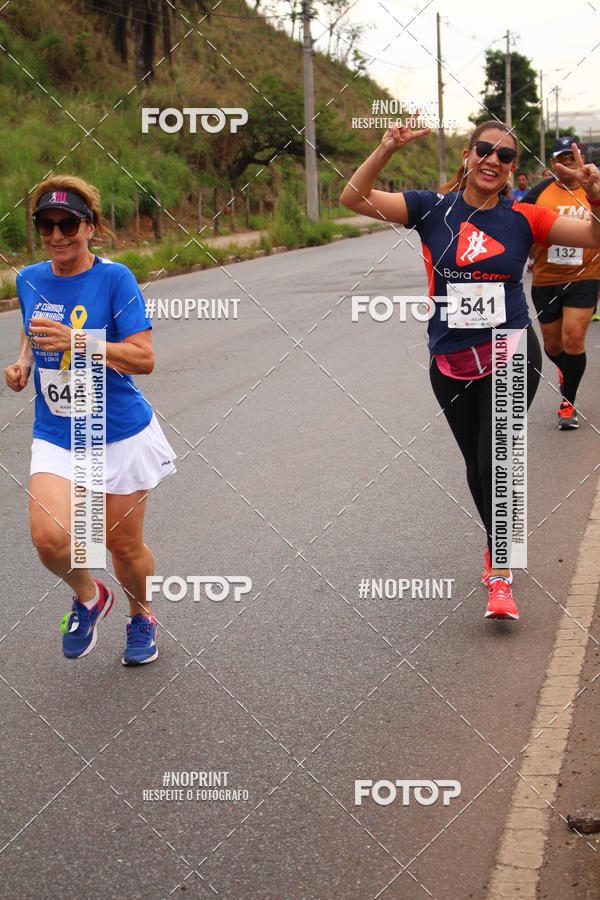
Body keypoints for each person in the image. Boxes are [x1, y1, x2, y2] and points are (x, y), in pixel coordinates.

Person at [341, 121, 600, 621]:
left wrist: (594, 190)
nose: (493, 161)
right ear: (467, 155)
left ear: (512, 169)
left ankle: (501, 572)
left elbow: (594, 235)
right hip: (450, 358)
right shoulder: (430, 209)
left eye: (505, 157)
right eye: (485, 149)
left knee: (494, 463)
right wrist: (386, 148)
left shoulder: (524, 218)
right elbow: (354, 198)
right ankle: (496, 545)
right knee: (476, 466)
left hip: (510, 347)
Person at [4, 176, 176, 665]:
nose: (57, 235)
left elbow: (143, 358)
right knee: (50, 539)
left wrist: (77, 341)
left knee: (122, 545)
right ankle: (89, 595)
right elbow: (33, 327)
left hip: (117, 433)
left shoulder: (116, 279)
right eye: (46, 225)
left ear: (90, 227)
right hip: (57, 433)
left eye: (68, 224)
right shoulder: (28, 278)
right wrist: (24, 362)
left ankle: (141, 615)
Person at [521, 135, 600, 428]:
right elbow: (518, 227)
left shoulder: (594, 187)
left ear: (581, 158)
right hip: (546, 279)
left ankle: (568, 402)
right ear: (552, 163)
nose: (567, 162)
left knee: (574, 338)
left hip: (585, 275)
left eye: (571, 156)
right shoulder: (537, 194)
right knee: (553, 347)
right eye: (561, 158)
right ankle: (568, 369)